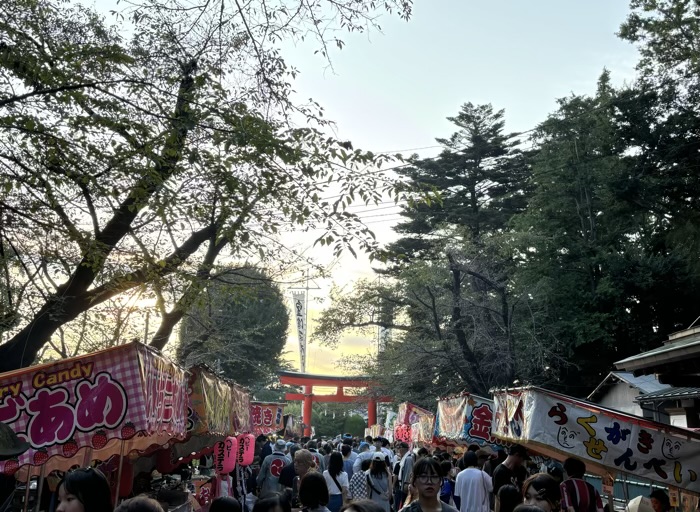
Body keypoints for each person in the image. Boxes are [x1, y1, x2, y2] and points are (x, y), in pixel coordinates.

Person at [395, 443, 414, 508]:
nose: (398, 450)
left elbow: (408, 473)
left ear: (403, 449)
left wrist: (406, 484)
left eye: (399, 448)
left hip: (405, 486)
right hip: (401, 485)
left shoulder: (408, 458)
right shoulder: (404, 458)